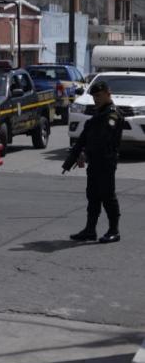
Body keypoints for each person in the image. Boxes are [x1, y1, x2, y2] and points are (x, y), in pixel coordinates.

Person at [63, 80, 123, 244]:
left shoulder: (112, 114)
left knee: (108, 196)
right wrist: (77, 153)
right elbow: (86, 137)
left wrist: (85, 153)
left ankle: (114, 230)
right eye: (94, 96)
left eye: (99, 96)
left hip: (106, 161)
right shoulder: (99, 114)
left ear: (107, 93)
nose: (96, 99)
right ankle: (90, 230)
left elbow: (103, 140)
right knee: (93, 196)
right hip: (95, 162)